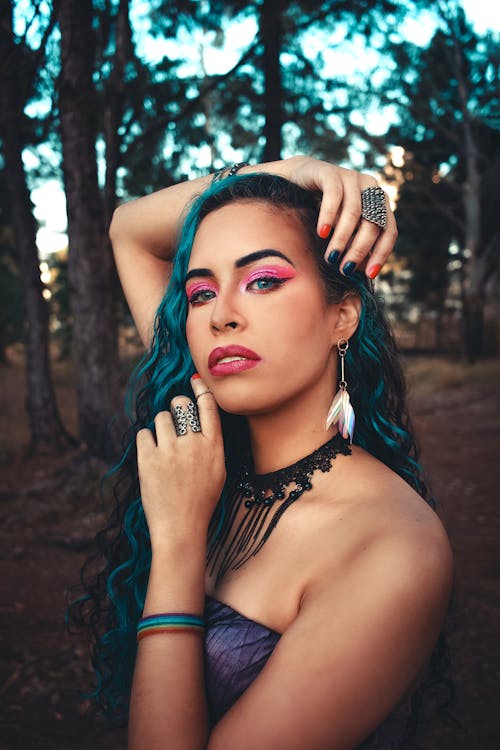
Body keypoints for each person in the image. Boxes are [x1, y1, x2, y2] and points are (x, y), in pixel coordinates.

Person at [71, 156, 453, 749]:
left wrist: (177, 541)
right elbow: (129, 228)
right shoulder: (210, 446)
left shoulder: (394, 549)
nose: (222, 314)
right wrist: (296, 171)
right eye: (200, 293)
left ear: (342, 316)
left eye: (264, 280)